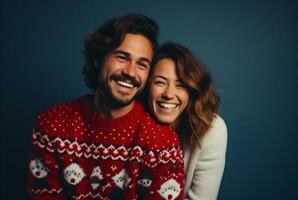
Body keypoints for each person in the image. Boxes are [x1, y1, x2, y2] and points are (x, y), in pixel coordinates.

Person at [27, 14, 184, 200]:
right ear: (98, 59)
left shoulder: (162, 142)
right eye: (122, 57)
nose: (130, 72)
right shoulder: (52, 124)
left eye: (142, 64)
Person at [146, 42, 227, 200]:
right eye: (160, 82)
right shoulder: (131, 125)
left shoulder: (212, 129)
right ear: (147, 86)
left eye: (181, 85)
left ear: (192, 90)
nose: (169, 94)